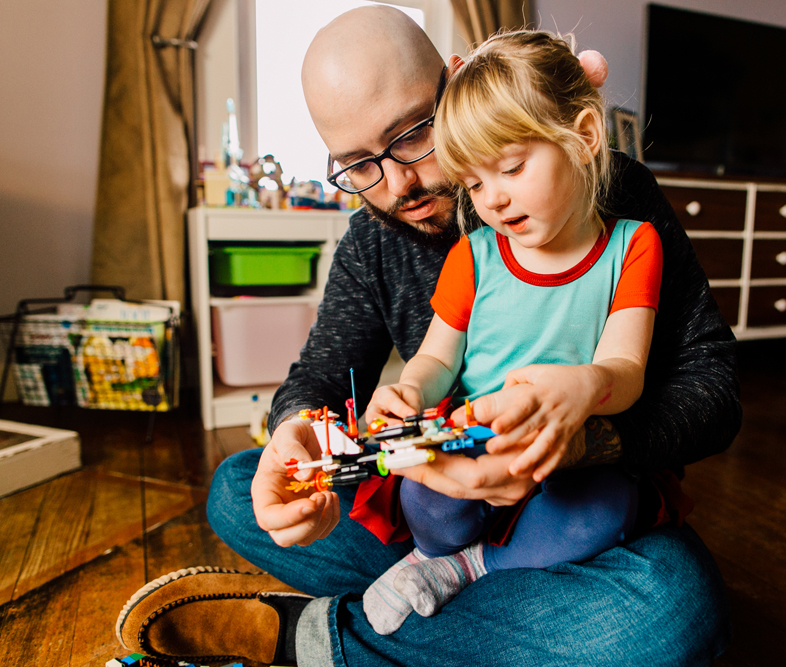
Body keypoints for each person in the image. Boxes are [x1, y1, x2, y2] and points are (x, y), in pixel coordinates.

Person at [114, 6, 740, 667]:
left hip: (575, 506)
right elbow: (320, 379)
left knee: (675, 607)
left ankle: (314, 634)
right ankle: (478, 607)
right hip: (439, 500)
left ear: (455, 85)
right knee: (241, 488)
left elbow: (713, 389)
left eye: (412, 135)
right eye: (356, 164)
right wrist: (297, 432)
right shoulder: (376, 239)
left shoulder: (608, 192)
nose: (397, 184)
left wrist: (579, 443)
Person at [358, 30, 663, 636]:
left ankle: (470, 569)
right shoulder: (474, 255)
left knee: (603, 515)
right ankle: (435, 556)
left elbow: (627, 370)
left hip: (565, 461)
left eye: (512, 167)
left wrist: (587, 386)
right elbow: (436, 359)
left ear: (583, 136)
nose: (492, 199)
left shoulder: (635, 245)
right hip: (472, 444)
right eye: (472, 183)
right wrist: (409, 392)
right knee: (424, 500)